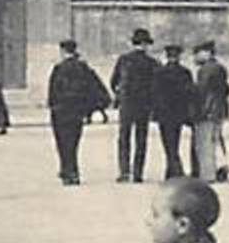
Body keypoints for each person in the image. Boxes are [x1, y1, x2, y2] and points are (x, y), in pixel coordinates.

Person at [46, 39, 110, 186]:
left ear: (63, 52)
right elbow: (96, 89)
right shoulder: (83, 68)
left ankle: (67, 171)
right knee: (73, 143)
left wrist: (53, 107)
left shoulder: (59, 68)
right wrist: (91, 109)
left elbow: (52, 92)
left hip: (60, 111)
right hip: (76, 111)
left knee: (62, 143)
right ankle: (71, 171)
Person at [111, 27, 160, 184]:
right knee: (141, 138)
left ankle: (124, 171)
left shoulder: (124, 60)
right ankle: (138, 173)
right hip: (144, 105)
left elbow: (113, 81)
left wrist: (119, 94)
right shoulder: (152, 63)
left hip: (127, 104)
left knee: (124, 137)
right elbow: (157, 85)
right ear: (146, 45)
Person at [151, 44, 195, 180]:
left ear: (167, 56)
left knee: (168, 143)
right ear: (179, 56)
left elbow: (154, 93)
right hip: (179, 113)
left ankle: (174, 169)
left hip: (164, 114)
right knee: (175, 141)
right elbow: (190, 93)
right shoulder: (185, 73)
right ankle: (172, 169)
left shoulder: (159, 73)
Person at [191, 41, 229, 182]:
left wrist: (199, 111)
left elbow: (202, 92)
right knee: (216, 140)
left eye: (197, 54)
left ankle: (209, 174)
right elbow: (226, 90)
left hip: (208, 111)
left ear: (206, 53)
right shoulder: (220, 68)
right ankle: (221, 169)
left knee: (205, 143)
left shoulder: (206, 70)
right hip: (219, 110)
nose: (195, 58)